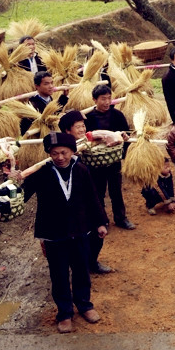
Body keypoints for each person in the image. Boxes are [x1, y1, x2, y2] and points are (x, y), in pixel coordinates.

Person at [13, 132, 108, 333]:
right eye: (54, 153)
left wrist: (100, 222)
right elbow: (23, 195)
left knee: (81, 270)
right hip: (53, 234)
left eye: (64, 152)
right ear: (49, 154)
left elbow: (93, 198)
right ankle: (64, 313)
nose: (60, 157)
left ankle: (85, 305)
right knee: (59, 275)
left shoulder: (81, 170)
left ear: (72, 151)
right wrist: (13, 184)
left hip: (80, 230)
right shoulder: (42, 173)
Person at [59, 109, 113, 274]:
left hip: (93, 196)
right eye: (78, 127)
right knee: (79, 236)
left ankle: (92, 262)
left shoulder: (89, 140)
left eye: (83, 126)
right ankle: (80, 266)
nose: (82, 129)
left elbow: (109, 138)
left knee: (99, 230)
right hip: (75, 202)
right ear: (67, 130)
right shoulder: (63, 152)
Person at [84, 84, 135, 230]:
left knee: (116, 191)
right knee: (98, 192)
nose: (107, 102)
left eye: (109, 98)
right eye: (103, 99)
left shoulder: (117, 115)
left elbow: (126, 133)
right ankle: (101, 221)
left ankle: (121, 218)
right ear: (94, 100)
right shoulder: (88, 118)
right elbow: (84, 138)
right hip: (95, 162)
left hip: (113, 160)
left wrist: (125, 137)